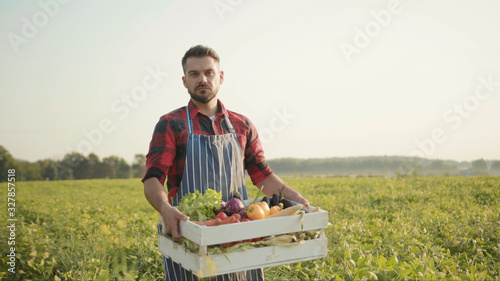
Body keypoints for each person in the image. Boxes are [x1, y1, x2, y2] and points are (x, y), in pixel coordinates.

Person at [142, 45, 309, 281]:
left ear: (220, 77)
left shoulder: (242, 125)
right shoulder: (170, 124)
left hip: (237, 232)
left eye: (209, 72)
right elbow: (153, 179)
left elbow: (263, 175)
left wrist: (296, 198)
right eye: (194, 74)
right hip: (188, 233)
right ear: (184, 81)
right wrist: (166, 209)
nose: (202, 79)